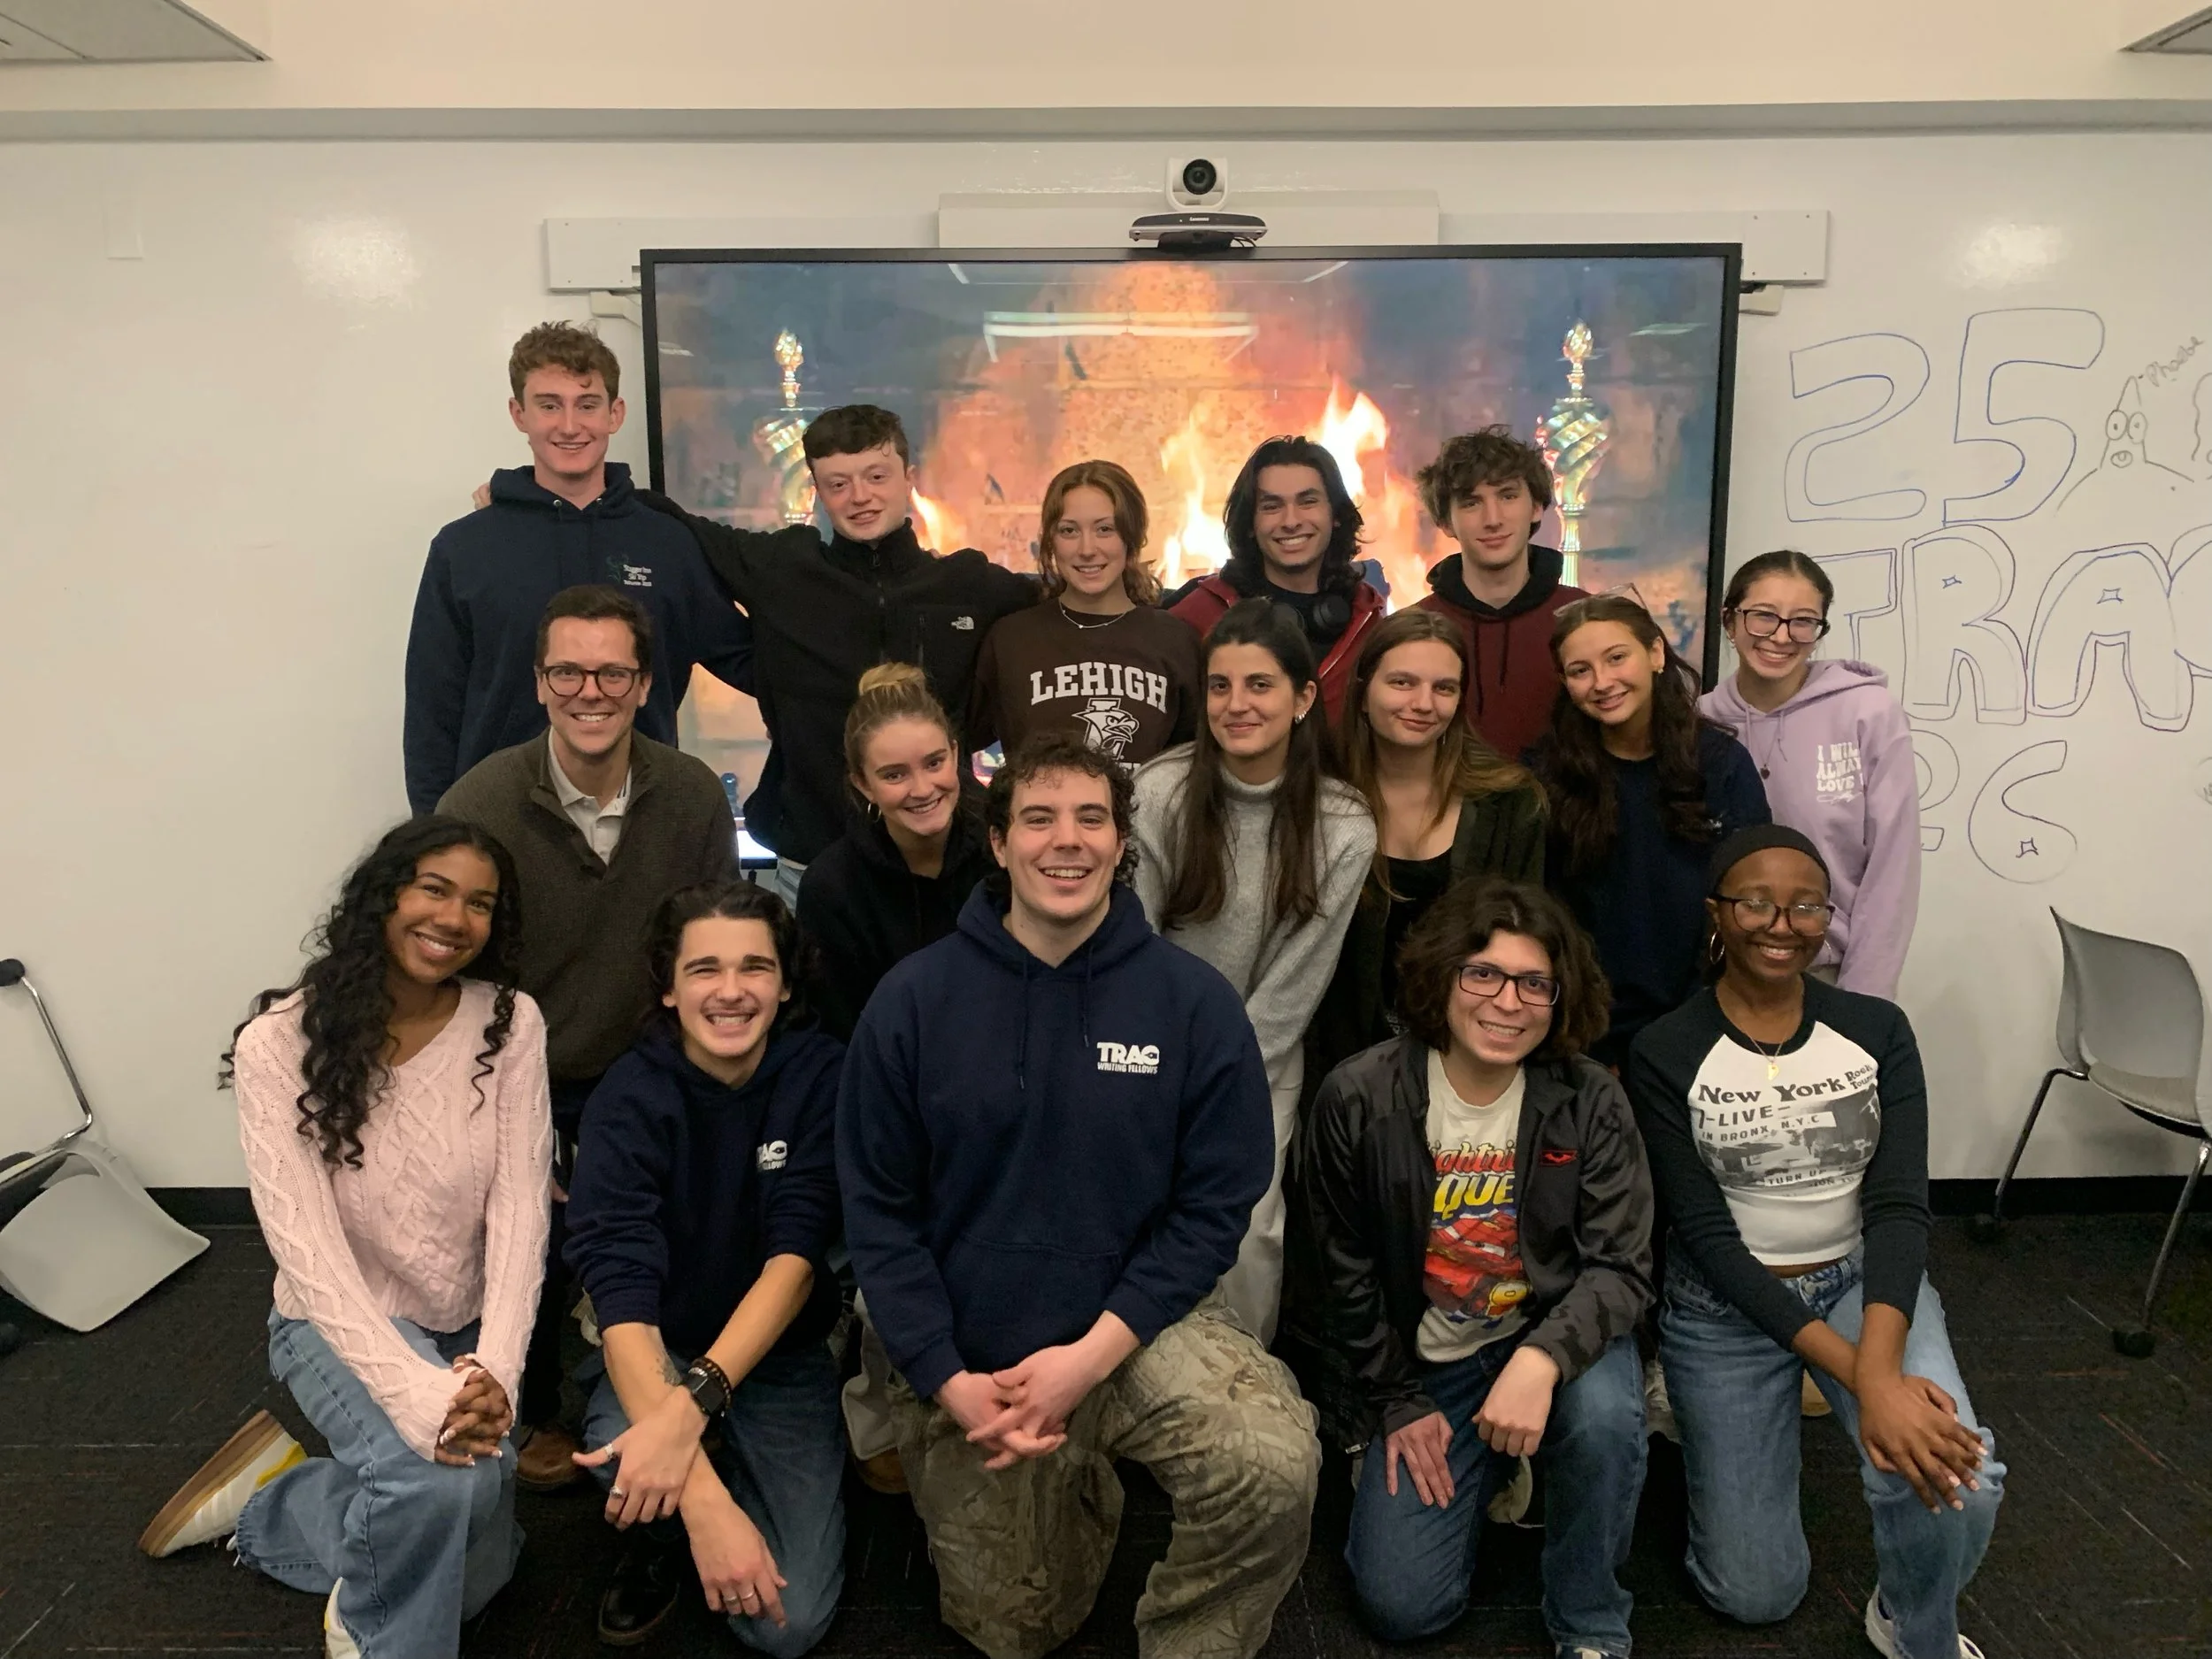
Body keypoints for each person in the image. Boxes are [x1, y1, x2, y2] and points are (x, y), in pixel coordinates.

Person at [838, 733, 1319, 1659]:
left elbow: (1216, 1204)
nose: (1067, 840)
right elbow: (878, 1217)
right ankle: (1071, 1491)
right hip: (977, 1357)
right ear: (1000, 842)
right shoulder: (912, 1002)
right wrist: (948, 1380)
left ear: (1120, 841)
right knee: (1017, 1631)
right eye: (1040, 818)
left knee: (1269, 1465)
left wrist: (1090, 1358)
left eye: (1091, 818)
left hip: (1137, 1328)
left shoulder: (1190, 1002)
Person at [140, 818, 550, 1659]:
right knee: (435, 1489)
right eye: (433, 888)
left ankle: (279, 1502)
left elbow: (521, 1214)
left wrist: (497, 1368)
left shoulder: (510, 1021)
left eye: (479, 903)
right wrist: (414, 1392)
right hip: (332, 1320)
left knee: (484, 1564)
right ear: (385, 894)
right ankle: (370, 1632)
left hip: (468, 1330)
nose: (453, 917)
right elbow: (308, 1253)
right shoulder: (279, 1043)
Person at [1626, 826, 2002, 1659]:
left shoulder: (1877, 1030)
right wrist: (1872, 1382)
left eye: (1805, 905)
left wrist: (1879, 1365)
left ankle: (1911, 1620)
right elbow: (1709, 1240)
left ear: (1827, 917)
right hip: (1722, 1304)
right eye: (1756, 901)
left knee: (1959, 1484)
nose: (1781, 922)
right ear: (1717, 914)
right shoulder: (1665, 1049)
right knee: (1755, 1594)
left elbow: (1902, 1207)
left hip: (1859, 1281)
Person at [1290, 879, 1651, 1656]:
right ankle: (1492, 1464)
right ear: (1442, 978)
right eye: (1482, 973)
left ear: (1559, 996)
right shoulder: (1358, 1094)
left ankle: (1590, 1619)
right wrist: (1393, 1400)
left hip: (1548, 1338)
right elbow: (1340, 1273)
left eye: (1533, 983)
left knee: (1606, 1420)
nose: (1507, 1002)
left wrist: (1540, 1358)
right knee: (1403, 1608)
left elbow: (1620, 1267)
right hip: (1427, 1366)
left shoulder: (1589, 1097)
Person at [439, 584, 738, 1489]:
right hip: (523, 1074)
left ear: (645, 684)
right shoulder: (481, 803)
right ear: (537, 683)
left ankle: (649, 1372)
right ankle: (528, 1407)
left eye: (612, 671)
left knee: (674, 1231)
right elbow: (448, 972)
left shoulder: (687, 794)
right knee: (523, 1247)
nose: (589, 690)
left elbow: (712, 944)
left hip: (651, 1067)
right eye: (566, 670)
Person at [564, 881, 845, 1655]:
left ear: (785, 984)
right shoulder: (628, 1099)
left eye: (755, 967)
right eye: (704, 969)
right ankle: (672, 1527)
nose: (730, 991)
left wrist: (689, 1416)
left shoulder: (821, 1075)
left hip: (780, 1356)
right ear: (669, 985)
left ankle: (703, 1465)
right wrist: (705, 1503)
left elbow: (795, 1264)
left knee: (790, 1625)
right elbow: (620, 1301)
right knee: (624, 1446)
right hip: (659, 1346)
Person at [640, 403, 1035, 902]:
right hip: (810, 861)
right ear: (817, 490)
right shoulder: (782, 570)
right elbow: (674, 524)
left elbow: (1065, 608)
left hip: (948, 863)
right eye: (838, 483)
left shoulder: (968, 585)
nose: (860, 497)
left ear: (908, 478)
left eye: (876, 476)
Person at [1133, 598, 1376, 1340]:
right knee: (1141, 1220)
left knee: (1245, 1241)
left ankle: (1240, 1400)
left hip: (1260, 1066)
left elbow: (1294, 987)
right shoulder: (1159, 790)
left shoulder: (1343, 824)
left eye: (1260, 685)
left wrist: (1219, 1075)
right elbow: (1132, 946)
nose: (1236, 705)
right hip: (1147, 1055)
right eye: (1219, 685)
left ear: (1304, 698)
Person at [404, 321, 753, 814]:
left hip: (643, 817)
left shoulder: (666, 542)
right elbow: (431, 709)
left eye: (587, 404)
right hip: (502, 820)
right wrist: (435, 834)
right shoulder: (463, 549)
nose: (570, 426)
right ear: (518, 414)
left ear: (615, 413)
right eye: (549, 405)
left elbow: (745, 659)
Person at [1308, 607, 1548, 1091]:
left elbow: (1524, 948)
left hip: (1468, 1062)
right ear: (1362, 694)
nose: (1423, 703)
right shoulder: (1317, 796)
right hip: (1335, 1065)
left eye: (1444, 688)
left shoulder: (1509, 803)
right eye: (1401, 682)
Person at [1533, 594, 1769, 1068]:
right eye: (1580, 670)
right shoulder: (1545, 776)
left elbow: (1750, 902)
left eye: (1617, 658)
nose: (1602, 682)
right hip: (1582, 1034)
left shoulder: (1720, 763)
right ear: (1565, 683)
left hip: (1705, 1025)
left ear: (1656, 654)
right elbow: (1543, 915)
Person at [1700, 549, 1921, 1000]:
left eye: (1803, 620)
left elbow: (1892, 870)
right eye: (1763, 616)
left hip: (1830, 975)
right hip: (1723, 977)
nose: (1782, 636)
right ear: (1729, 620)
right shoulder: (1699, 724)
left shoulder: (1867, 714)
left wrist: (1864, 999)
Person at [797, 663, 993, 1042]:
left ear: (956, 754)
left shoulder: (1008, 859)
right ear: (863, 784)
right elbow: (838, 1032)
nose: (922, 789)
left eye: (934, 763)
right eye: (894, 775)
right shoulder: (832, 889)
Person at [967, 458, 1202, 768]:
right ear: (1050, 541)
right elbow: (956, 747)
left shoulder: (1175, 640)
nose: (1087, 548)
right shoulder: (1011, 640)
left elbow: (1197, 764)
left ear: (1130, 537)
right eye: (1069, 531)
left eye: (1105, 529)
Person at [1166, 436, 1385, 721]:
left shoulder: (1367, 618)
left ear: (1336, 516)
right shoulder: (1198, 615)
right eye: (1272, 506)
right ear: (1250, 525)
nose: (1291, 521)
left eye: (1308, 502)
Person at [1414, 426, 1587, 764]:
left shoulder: (1585, 617)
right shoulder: (1415, 627)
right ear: (1446, 523)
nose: (1492, 519)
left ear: (1536, 507)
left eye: (1508, 496)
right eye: (1471, 502)